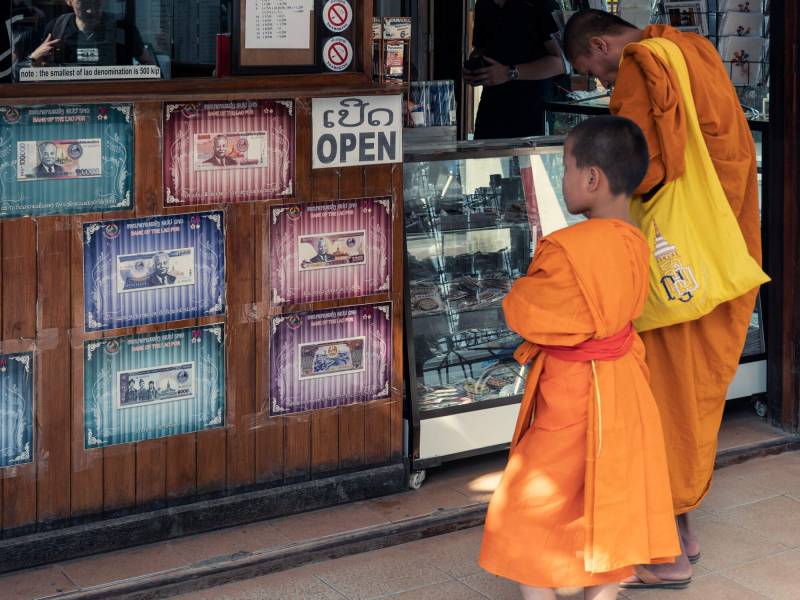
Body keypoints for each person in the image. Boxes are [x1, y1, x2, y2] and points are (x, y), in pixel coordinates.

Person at [562, 10, 762, 588]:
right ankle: (684, 531)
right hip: (721, 248)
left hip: (676, 266)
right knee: (689, 402)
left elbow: (645, 169)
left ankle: (667, 551)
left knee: (661, 402)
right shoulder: (692, 50)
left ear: (601, 44)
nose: (598, 82)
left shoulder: (639, 68)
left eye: (589, 69)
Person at [479, 116, 680, 600]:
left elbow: (528, 313)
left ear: (592, 178)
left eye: (566, 167)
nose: (563, 177)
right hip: (624, 382)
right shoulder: (636, 238)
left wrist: (517, 292)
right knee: (610, 495)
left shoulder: (571, 247)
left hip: (574, 389)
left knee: (526, 505)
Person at [463, 0, 566, 139]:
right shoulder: (483, 4)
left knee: (526, 159)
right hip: (492, 105)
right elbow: (481, 50)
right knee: (483, 157)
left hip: (533, 107)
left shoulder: (542, 4)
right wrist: (476, 68)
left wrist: (509, 72)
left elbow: (562, 62)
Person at [27, 0, 153, 67]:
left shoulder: (123, 29)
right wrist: (35, 58)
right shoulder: (57, 28)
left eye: (95, 2)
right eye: (81, 3)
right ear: (68, 1)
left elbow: (148, 64)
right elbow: (37, 70)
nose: (90, 10)